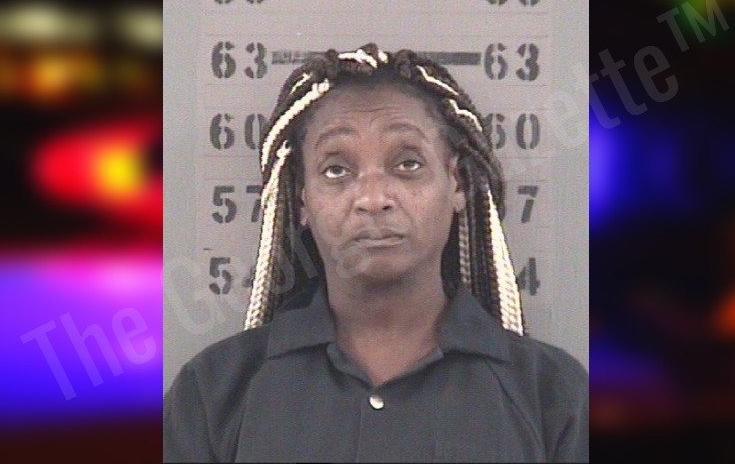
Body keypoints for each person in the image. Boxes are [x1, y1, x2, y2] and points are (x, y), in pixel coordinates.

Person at [163, 43, 588, 462]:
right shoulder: (213, 394)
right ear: (303, 199)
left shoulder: (554, 398)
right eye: (336, 170)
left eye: (408, 164)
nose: (373, 198)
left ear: (456, 184)